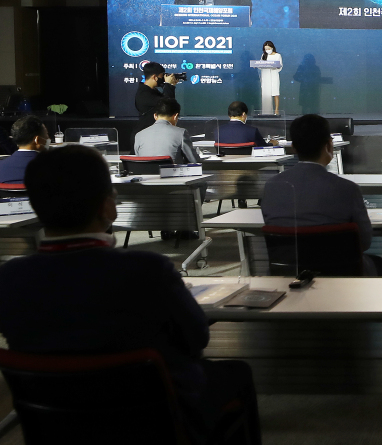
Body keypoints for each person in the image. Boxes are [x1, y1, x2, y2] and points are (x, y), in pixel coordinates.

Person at [0, 146, 263, 444]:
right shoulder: (147, 270)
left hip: (56, 423)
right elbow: (196, 338)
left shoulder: (9, 279)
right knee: (236, 373)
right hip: (157, 417)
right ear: (108, 208)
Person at [260, 115, 382, 276]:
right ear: (329, 145)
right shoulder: (347, 189)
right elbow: (365, 242)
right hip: (341, 274)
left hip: (288, 272)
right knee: (378, 264)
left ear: (294, 147)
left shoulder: (271, 187)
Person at [134, 98, 199, 164]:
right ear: (175, 116)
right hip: (171, 173)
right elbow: (194, 161)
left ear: (155, 116)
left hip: (145, 173)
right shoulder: (181, 133)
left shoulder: (139, 135)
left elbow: (139, 159)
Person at [0, 116, 47, 184]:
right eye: (47, 134)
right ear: (37, 140)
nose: (48, 138)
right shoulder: (52, 167)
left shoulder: (1, 167)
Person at [259, 40, 282, 114]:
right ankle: (266, 111)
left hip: (274, 75)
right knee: (266, 94)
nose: (267, 50)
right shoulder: (263, 55)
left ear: (272, 48)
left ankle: (276, 110)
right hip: (265, 76)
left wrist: (275, 66)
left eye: (268, 48)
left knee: (275, 93)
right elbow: (260, 65)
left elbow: (280, 66)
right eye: (266, 49)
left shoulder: (277, 55)